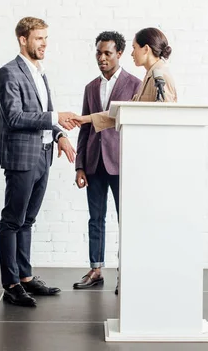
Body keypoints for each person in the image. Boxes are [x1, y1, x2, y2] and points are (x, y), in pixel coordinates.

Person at [0, 17, 78, 307]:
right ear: (22, 39)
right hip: (22, 157)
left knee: (27, 220)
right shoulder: (8, 73)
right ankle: (11, 284)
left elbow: (46, 113)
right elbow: (15, 117)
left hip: (43, 155)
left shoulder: (40, 72)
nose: (44, 43)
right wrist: (56, 118)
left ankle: (26, 277)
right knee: (12, 220)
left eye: (46, 38)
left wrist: (59, 136)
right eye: (39, 38)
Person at [72, 31, 140, 293]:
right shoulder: (90, 87)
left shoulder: (135, 84)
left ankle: (127, 273)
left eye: (107, 53)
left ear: (119, 54)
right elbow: (84, 128)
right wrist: (79, 165)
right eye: (98, 53)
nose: (102, 58)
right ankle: (96, 269)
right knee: (95, 218)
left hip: (122, 164)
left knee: (127, 220)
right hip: (93, 163)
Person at [72, 27, 177, 133]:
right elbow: (124, 111)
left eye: (134, 48)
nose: (132, 53)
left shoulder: (160, 76)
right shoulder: (150, 75)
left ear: (145, 49)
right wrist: (87, 119)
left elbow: (166, 119)